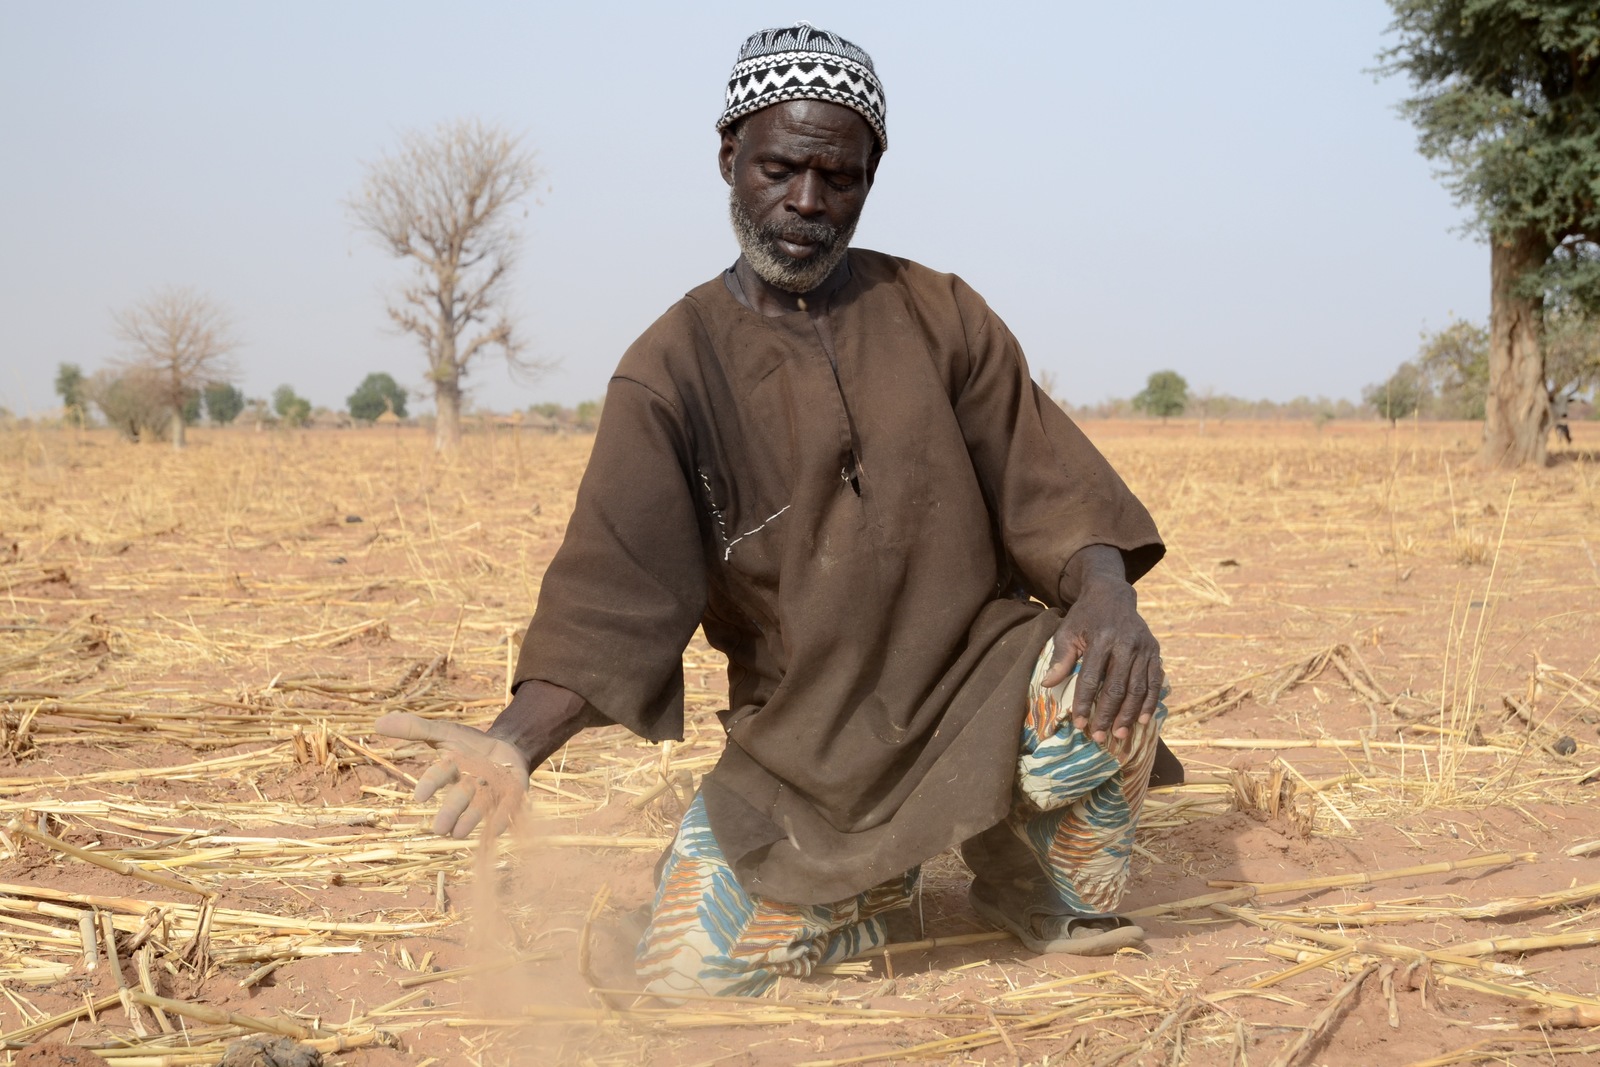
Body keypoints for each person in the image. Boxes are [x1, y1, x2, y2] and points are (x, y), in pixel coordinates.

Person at [378, 23, 1178, 999]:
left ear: (871, 173)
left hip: (982, 683)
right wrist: (513, 739)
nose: (805, 202)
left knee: (1105, 666)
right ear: (729, 158)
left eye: (836, 176)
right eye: (779, 169)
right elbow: (614, 598)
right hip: (807, 746)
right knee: (682, 971)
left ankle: (1036, 884)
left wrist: (1105, 590)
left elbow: (1049, 485)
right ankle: (868, 893)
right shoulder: (670, 370)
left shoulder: (942, 313)